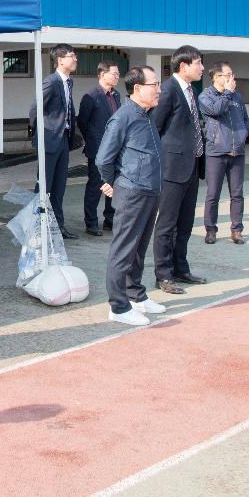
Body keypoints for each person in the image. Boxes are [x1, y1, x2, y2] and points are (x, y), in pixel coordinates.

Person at [96, 65, 166, 326]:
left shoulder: (147, 115)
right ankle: (118, 305)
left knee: (139, 248)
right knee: (123, 250)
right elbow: (104, 159)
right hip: (132, 192)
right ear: (137, 89)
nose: (159, 89)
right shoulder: (123, 117)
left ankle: (136, 295)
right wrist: (116, 182)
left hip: (150, 191)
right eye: (154, 85)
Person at [151, 45, 207, 293]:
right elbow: (155, 129)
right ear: (183, 66)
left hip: (191, 166)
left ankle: (180, 268)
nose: (202, 68)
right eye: (198, 63)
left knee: (185, 223)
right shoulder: (168, 90)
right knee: (166, 225)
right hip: (172, 169)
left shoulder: (190, 90)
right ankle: (163, 274)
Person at [29, 43, 82, 238]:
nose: (75, 59)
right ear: (60, 60)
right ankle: (37, 228)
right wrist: (38, 134)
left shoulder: (68, 81)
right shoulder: (51, 82)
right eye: (71, 56)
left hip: (64, 140)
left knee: (60, 186)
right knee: (44, 186)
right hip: (50, 140)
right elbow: (35, 108)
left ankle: (58, 227)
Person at [199, 61, 249, 245]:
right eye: (228, 74)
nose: (231, 78)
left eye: (232, 74)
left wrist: (244, 133)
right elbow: (216, 110)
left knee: (237, 193)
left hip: (238, 151)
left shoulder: (237, 97)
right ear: (216, 77)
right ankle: (210, 230)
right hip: (216, 151)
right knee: (213, 194)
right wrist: (227, 93)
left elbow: (244, 118)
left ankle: (237, 229)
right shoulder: (206, 96)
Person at [78, 61, 122, 236]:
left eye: (118, 74)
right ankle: (91, 222)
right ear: (102, 74)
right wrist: (94, 140)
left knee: (113, 185)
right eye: (114, 73)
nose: (117, 77)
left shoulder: (116, 95)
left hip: (115, 149)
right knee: (96, 186)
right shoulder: (91, 96)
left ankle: (110, 220)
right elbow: (83, 122)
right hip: (97, 149)